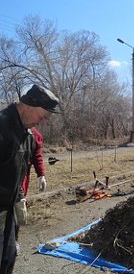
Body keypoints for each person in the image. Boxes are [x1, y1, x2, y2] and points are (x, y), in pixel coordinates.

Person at [0, 84, 59, 273]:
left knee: (8, 258)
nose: (41, 123)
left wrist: (18, 197)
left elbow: (19, 169)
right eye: (42, 117)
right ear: (28, 105)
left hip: (9, 209)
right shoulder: (2, 127)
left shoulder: (27, 134)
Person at [15, 127, 46, 255]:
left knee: (18, 211)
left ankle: (14, 240)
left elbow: (37, 156)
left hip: (21, 182)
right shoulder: (6, 127)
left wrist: (41, 175)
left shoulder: (34, 134)